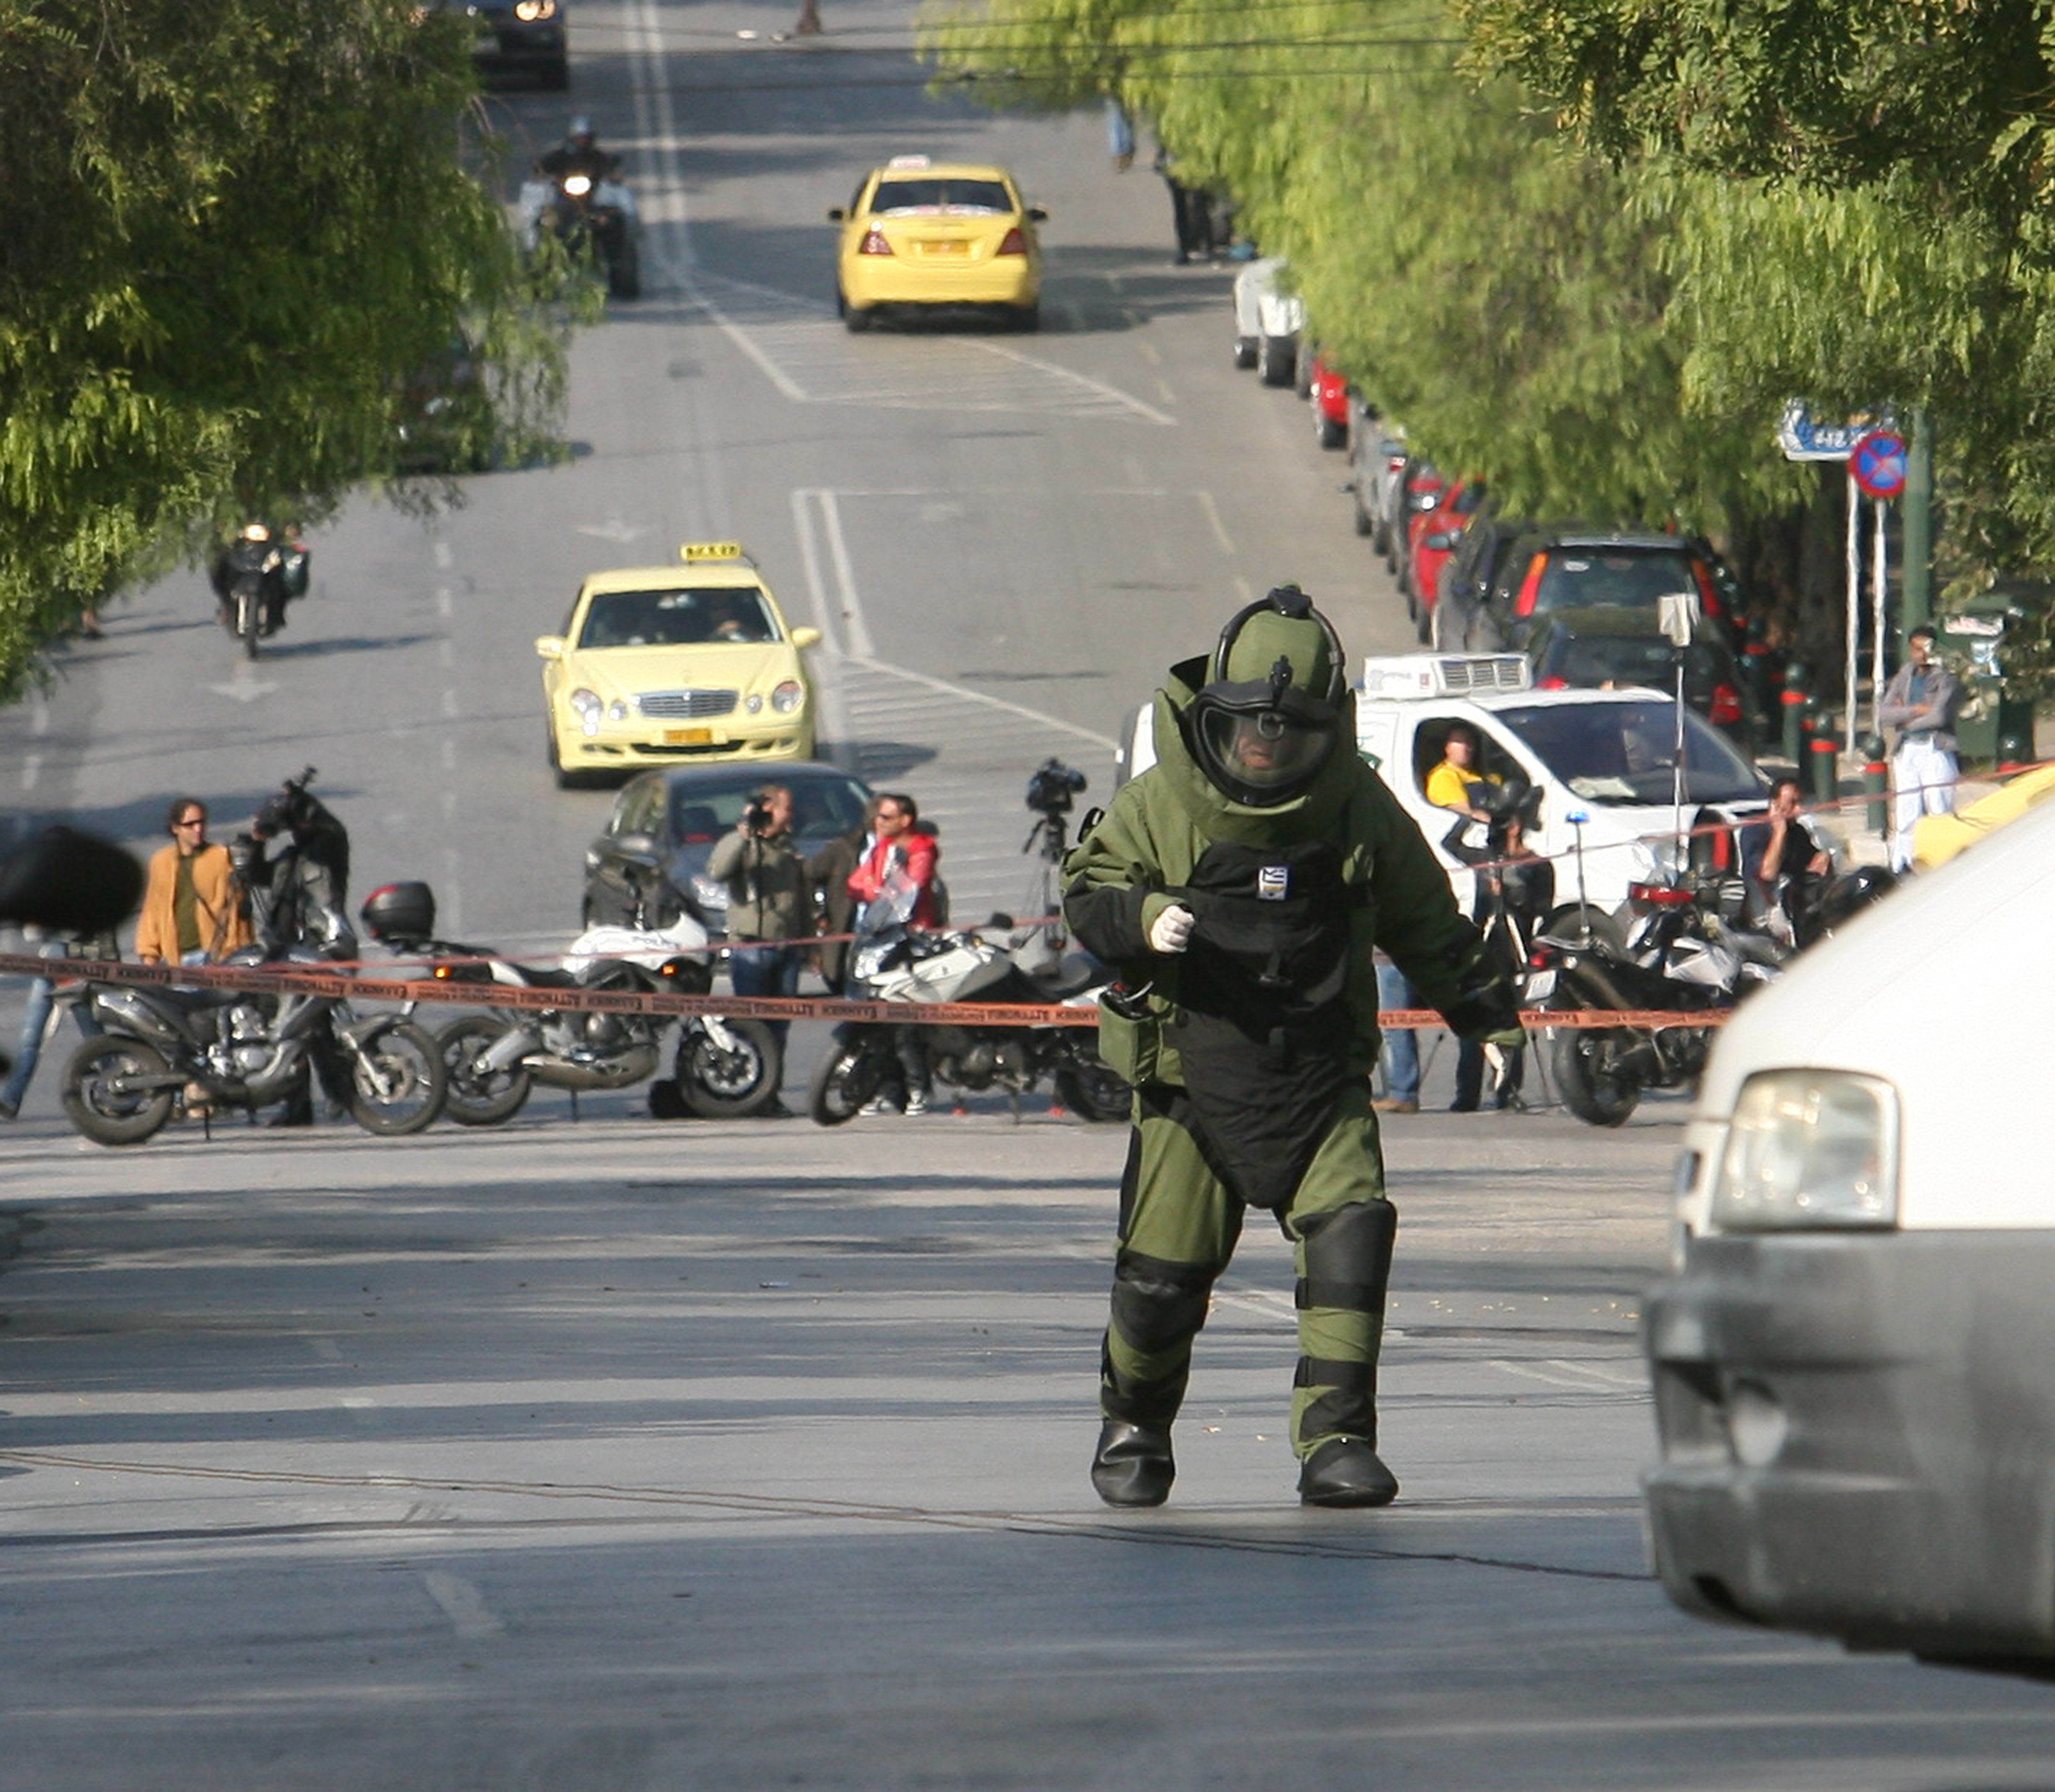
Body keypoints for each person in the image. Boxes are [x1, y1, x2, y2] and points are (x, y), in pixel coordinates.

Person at [1062, 585, 1522, 1509]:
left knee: (1352, 1236)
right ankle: (1135, 1423)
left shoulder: (1356, 804)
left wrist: (1487, 1015)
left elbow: (1428, 919)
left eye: (1291, 730)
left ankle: (1337, 1437)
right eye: (1247, 729)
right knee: (1160, 1274)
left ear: (1330, 725)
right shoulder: (1161, 802)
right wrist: (1145, 917)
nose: (1266, 746)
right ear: (1215, 718)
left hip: (1319, 1071)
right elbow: (1090, 890)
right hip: (1190, 1077)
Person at [706, 786, 808, 1091]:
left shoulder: (788, 848)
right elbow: (717, 871)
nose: (791, 815)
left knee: (779, 1027)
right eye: (785, 809)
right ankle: (752, 1089)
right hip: (751, 946)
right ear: (768, 809)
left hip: (787, 947)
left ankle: (772, 1091)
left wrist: (809, 945)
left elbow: (799, 899)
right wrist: (744, 835)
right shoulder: (741, 844)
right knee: (754, 1026)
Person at [845, 792, 939, 1116]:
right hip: (879, 939)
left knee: (904, 1023)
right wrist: (879, 889)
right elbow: (855, 884)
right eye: (877, 817)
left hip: (911, 941)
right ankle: (884, 1088)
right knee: (875, 1022)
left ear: (905, 820)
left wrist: (878, 889)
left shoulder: (921, 848)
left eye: (885, 817)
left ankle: (917, 1088)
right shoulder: (882, 849)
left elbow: (910, 890)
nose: (878, 823)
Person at [1450, 810, 1550, 1112]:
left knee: (1509, 1020)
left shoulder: (1536, 866)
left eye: (1499, 826)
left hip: (1513, 951)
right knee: (1471, 1019)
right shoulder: (1484, 859)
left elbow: (1542, 909)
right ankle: (1466, 1093)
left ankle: (1508, 1090)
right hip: (1482, 947)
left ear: (1516, 827)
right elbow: (1451, 843)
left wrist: (1507, 896)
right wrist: (1467, 816)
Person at [0, 927, 111, 1120]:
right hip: (59, 964)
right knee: (92, 1038)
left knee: (34, 1039)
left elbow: (33, 932)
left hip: (65, 964)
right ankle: (112, 1089)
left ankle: (11, 1099)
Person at [1879, 624, 1962, 874]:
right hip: (1907, 749)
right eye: (1916, 649)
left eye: (1925, 648)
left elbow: (1938, 715)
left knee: (1939, 807)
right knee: (1907, 812)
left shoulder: (1947, 678)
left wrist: (1903, 718)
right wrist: (1915, 710)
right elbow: (1884, 713)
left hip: (1935, 748)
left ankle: (1944, 864)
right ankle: (1900, 866)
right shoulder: (1905, 674)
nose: (1921, 654)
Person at [134, 798, 253, 967]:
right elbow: (153, 911)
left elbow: (238, 909)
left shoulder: (222, 857)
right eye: (190, 825)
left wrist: (239, 951)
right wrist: (149, 954)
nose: (198, 829)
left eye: (201, 822)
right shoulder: (161, 862)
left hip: (216, 957)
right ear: (176, 828)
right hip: (176, 959)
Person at [1739, 775, 1832, 943]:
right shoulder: (1754, 831)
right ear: (1774, 803)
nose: (1799, 810)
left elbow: (1810, 865)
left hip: (1796, 905)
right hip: (1766, 911)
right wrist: (1779, 832)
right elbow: (1767, 874)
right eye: (1792, 803)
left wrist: (1822, 860)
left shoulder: (1798, 832)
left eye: (1800, 803)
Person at [806, 798, 876, 993]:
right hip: (849, 932)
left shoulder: (904, 850)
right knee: (847, 990)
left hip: (886, 932)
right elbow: (808, 875)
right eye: (881, 818)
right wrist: (817, 913)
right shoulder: (842, 849)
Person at [209, 523, 303, 637]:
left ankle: (278, 613)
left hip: (270, 542)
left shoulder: (273, 519)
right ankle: (226, 607)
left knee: (283, 577)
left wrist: (289, 532)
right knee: (218, 566)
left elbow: (287, 518)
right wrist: (225, 531)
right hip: (240, 541)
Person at [1371, 954, 1419, 1115]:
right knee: (1399, 1026)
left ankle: (1403, 1094)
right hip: (1412, 958)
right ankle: (1468, 1095)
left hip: (1390, 959)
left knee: (1395, 1027)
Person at [1423, 721, 1500, 821]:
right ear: (1447, 747)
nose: (1466, 747)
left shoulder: (1489, 776)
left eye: (1470, 741)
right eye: (1459, 742)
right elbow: (1466, 813)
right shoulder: (1443, 777)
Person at [537, 116, 618, 184]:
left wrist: (611, 174)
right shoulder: (561, 155)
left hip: (593, 189)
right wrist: (540, 169)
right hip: (563, 190)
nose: (581, 140)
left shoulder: (596, 156)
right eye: (578, 137)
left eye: (584, 137)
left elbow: (608, 165)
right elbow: (544, 165)